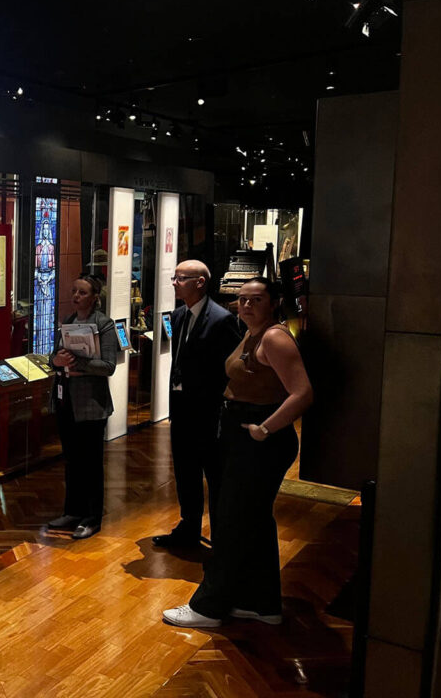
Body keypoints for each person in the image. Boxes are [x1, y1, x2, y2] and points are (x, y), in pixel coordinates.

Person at [163, 277, 313, 628]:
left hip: (257, 439)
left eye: (256, 299)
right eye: (242, 299)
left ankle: (208, 607)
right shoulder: (251, 333)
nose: (246, 305)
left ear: (273, 302)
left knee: (231, 522)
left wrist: (265, 429)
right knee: (254, 521)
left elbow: (303, 393)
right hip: (242, 435)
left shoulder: (274, 337)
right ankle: (260, 603)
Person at [153, 260, 242, 548]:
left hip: (208, 412)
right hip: (181, 408)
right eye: (174, 277)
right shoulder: (178, 315)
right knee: (185, 471)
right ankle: (189, 526)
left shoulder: (221, 320)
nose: (174, 283)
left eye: (180, 278)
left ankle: (221, 539)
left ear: (200, 282)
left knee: (214, 475)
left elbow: (231, 369)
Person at [46, 273, 117, 540]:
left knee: (91, 463)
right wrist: (56, 360)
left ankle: (92, 517)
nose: (76, 296)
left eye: (83, 292)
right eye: (74, 291)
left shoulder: (104, 324)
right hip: (65, 401)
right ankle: (72, 511)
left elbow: (108, 366)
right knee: (72, 460)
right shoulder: (69, 321)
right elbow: (54, 357)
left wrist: (78, 363)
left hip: (91, 404)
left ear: (95, 297)